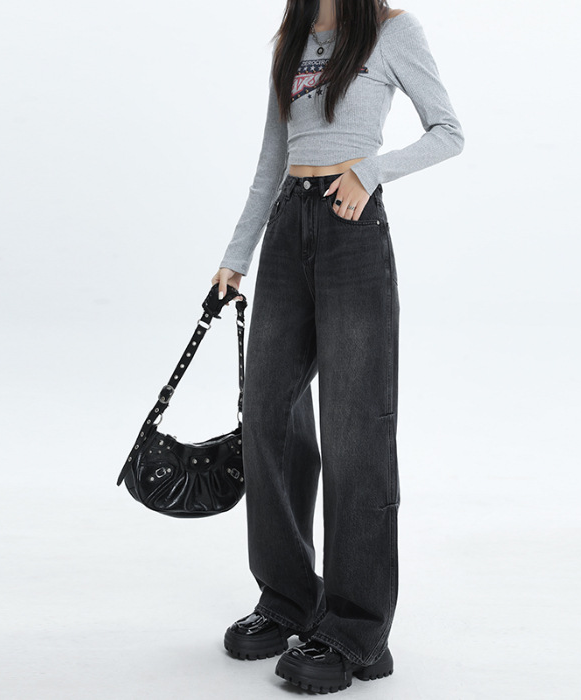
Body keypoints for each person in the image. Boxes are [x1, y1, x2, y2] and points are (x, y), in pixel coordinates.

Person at [211, 0, 464, 693]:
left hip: (352, 230)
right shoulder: (291, 39)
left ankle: (357, 630)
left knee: (355, 430)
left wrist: (370, 171)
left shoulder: (391, 31)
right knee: (268, 415)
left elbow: (448, 132)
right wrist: (236, 257)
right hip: (286, 231)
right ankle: (289, 598)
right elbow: (272, 161)